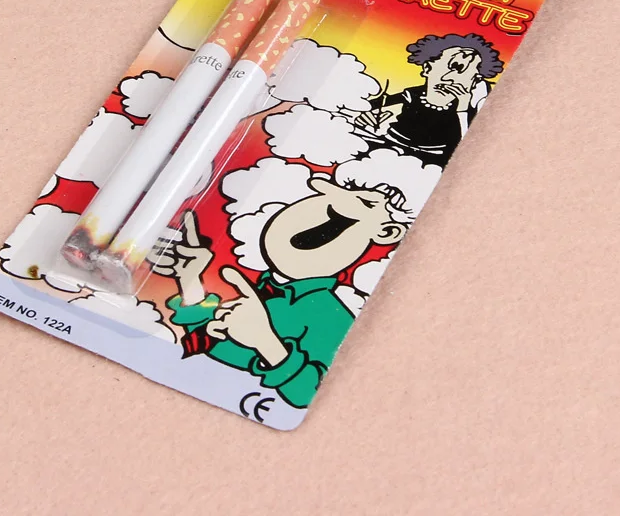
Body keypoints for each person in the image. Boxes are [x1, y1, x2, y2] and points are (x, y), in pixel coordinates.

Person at [148, 155, 420, 409]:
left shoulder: (330, 313)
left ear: (387, 232)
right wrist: (191, 282)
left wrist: (266, 342)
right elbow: (211, 342)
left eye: (364, 204)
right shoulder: (260, 289)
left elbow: (304, 391)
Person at [356, 33, 503, 167]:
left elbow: (469, 144)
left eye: (465, 74)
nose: (450, 79)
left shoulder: (465, 110)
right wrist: (363, 117)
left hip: (432, 161)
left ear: (474, 82)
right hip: (389, 147)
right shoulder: (413, 94)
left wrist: (463, 108)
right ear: (427, 68)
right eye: (450, 68)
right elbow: (365, 105)